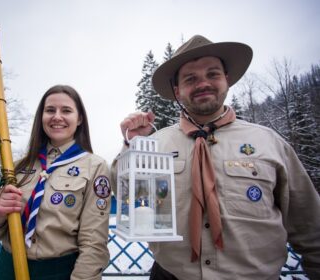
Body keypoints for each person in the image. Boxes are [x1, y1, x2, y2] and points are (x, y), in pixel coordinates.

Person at [113, 35, 320, 279]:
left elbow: (310, 226)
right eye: (191, 79)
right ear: (177, 91)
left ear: (227, 80)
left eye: (213, 74)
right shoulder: (156, 144)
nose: (203, 84)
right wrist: (133, 143)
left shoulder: (269, 142)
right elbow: (123, 189)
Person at [0, 85, 111, 280]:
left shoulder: (95, 167)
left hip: (59, 271)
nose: (57, 116)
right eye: (50, 110)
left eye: (66, 110)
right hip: (7, 268)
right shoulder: (16, 167)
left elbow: (93, 242)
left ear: (79, 119)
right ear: (41, 117)